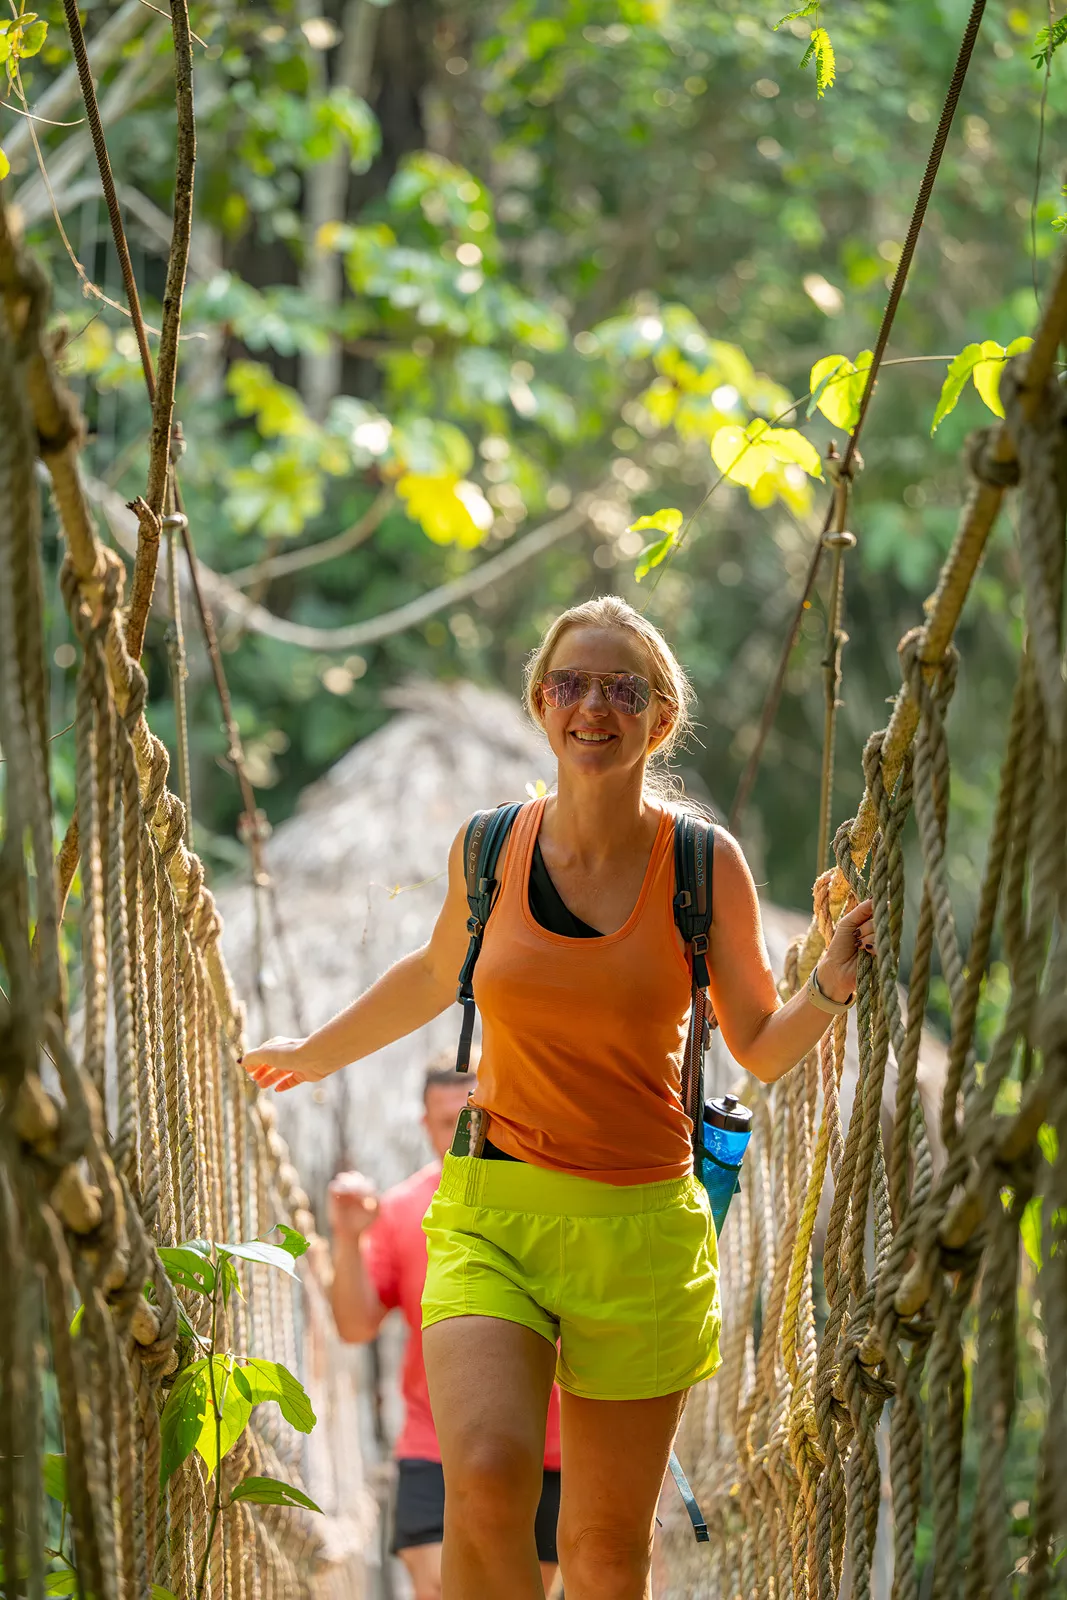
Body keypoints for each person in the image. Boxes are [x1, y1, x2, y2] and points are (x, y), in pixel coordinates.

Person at [243, 594, 874, 1600]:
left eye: (622, 689)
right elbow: (430, 971)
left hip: (638, 1230)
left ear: (658, 719)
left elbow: (756, 1043)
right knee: (485, 1481)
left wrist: (830, 983)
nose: (594, 706)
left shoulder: (703, 867)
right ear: (540, 704)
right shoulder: (487, 847)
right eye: (570, 684)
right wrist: (315, 1052)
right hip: (494, 1209)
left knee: (602, 1551)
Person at [327, 1058, 562, 1600]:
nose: (462, 1132)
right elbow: (355, 1325)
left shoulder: (550, 1200)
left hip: (547, 1448)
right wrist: (347, 1239)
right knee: (441, 1588)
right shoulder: (401, 1208)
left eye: (473, 1116)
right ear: (425, 1125)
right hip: (433, 1444)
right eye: (445, 1121)